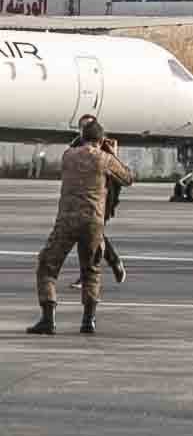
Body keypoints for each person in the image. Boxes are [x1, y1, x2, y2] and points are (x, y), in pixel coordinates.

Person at [26, 120, 133, 336]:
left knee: (47, 265)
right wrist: (111, 153)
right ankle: (88, 321)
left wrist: (81, 139)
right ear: (101, 140)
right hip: (93, 223)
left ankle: (48, 319)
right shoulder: (105, 160)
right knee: (91, 270)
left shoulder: (68, 156)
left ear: (82, 137)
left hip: (67, 221)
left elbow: (73, 146)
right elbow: (128, 178)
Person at [68, 113, 127, 290]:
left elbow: (120, 175)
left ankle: (103, 268)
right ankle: (112, 263)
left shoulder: (103, 145)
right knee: (91, 236)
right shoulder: (75, 146)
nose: (85, 129)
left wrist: (113, 154)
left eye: (88, 125)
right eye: (82, 126)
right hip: (80, 198)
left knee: (90, 236)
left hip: (101, 197)